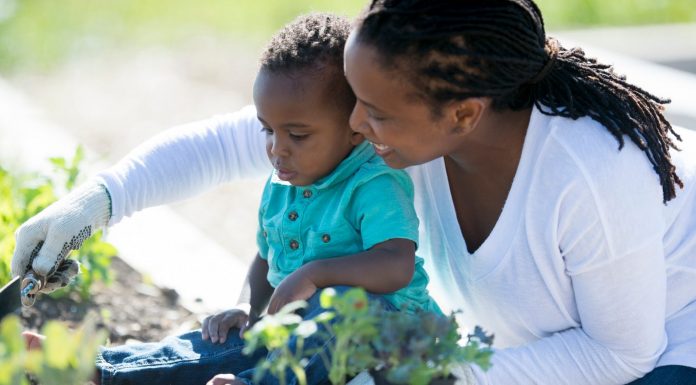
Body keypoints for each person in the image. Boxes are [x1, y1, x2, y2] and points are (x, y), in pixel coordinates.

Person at [11, 1, 696, 385]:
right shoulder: (401, 126)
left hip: (664, 353)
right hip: (515, 354)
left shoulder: (591, 174)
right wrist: (95, 202)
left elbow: (618, 354)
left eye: (375, 109)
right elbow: (217, 147)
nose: (356, 123)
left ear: (462, 113)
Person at [14, 13, 439, 385]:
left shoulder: (374, 182)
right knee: (224, 342)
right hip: (302, 332)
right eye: (267, 130)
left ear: (355, 127)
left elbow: (396, 264)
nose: (277, 148)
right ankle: (101, 371)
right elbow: (266, 254)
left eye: (298, 134)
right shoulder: (287, 178)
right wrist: (246, 308)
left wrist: (315, 274)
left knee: (342, 312)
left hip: (383, 331)